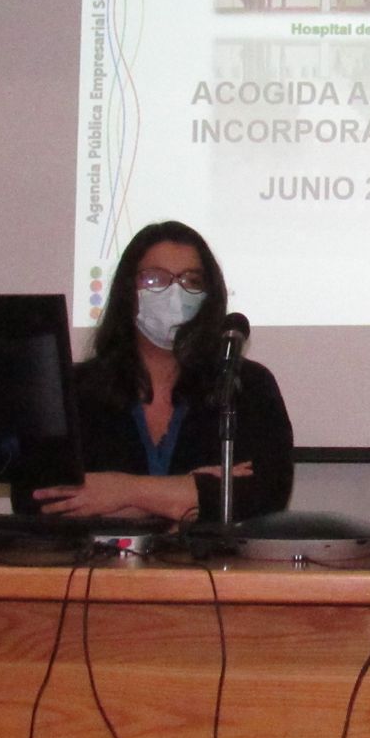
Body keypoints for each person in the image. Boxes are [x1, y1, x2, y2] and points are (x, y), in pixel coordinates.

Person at [34, 220, 294, 522]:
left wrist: (121, 491)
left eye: (191, 281)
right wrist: (187, 493)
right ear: (127, 290)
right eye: (155, 279)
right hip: (97, 567)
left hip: (212, 566)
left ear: (210, 294)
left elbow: (265, 496)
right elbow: (41, 500)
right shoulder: (77, 388)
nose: (175, 292)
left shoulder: (246, 383)